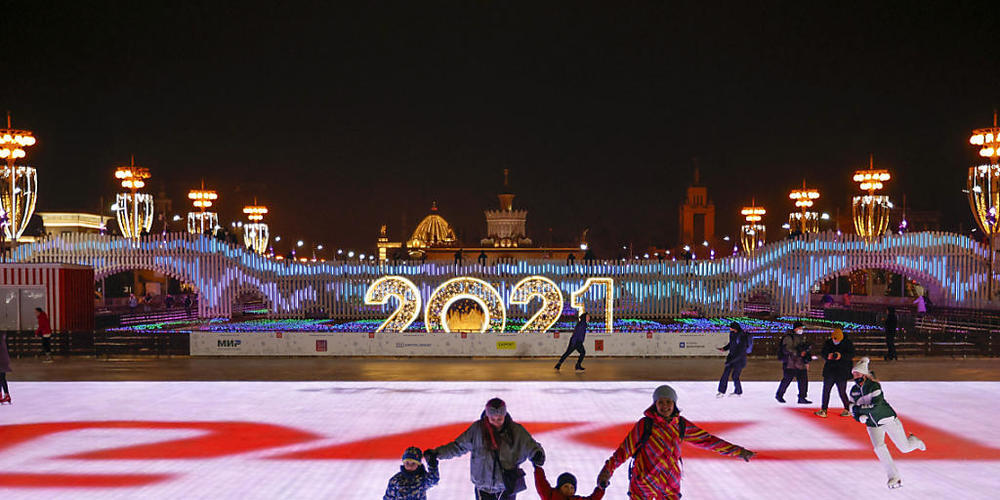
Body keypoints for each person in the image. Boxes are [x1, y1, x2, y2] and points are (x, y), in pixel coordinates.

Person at [597, 385, 754, 498]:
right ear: (655, 404)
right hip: (643, 484)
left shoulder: (681, 425)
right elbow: (624, 450)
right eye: (661, 402)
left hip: (670, 484)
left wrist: (737, 451)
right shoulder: (645, 424)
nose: (665, 406)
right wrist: (607, 471)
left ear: (674, 404)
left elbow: (707, 440)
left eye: (668, 402)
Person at [427, 398, 544, 499]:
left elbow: (531, 446)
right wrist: (437, 453)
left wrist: (537, 454)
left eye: (500, 419)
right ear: (487, 416)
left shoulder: (516, 431)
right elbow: (458, 446)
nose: (496, 423)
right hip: (482, 487)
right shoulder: (477, 430)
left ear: (505, 415)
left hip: (506, 485)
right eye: (492, 419)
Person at [848, 357, 926, 489]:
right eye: (854, 373)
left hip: (887, 419)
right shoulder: (853, 391)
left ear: (864, 374)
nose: (855, 376)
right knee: (879, 448)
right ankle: (894, 476)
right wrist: (857, 416)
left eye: (858, 373)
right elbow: (852, 410)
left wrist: (859, 410)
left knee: (904, 448)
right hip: (872, 424)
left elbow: (876, 406)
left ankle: (915, 441)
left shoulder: (874, 386)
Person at [815, 328, 854, 418]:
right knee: (826, 391)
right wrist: (827, 356)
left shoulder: (847, 343)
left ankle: (847, 409)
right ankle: (824, 409)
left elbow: (851, 355)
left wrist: (841, 356)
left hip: (842, 371)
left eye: (837, 340)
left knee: (842, 391)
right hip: (830, 370)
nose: (835, 341)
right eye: (834, 339)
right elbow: (823, 352)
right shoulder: (828, 343)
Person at [776, 321, 812, 404]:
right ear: (795, 329)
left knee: (803, 381)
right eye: (800, 328)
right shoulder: (789, 337)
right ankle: (779, 395)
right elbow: (787, 349)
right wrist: (799, 352)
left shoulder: (801, 337)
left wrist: (806, 358)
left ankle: (802, 397)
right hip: (790, 363)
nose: (801, 330)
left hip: (800, 363)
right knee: (787, 380)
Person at [716, 321, 753, 397]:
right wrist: (724, 348)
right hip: (731, 357)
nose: (730, 328)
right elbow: (731, 344)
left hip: (739, 359)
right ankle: (721, 391)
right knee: (725, 374)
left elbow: (741, 352)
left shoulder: (742, 336)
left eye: (731, 327)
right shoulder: (732, 334)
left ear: (735, 328)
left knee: (735, 376)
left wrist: (731, 361)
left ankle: (738, 392)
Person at [533, 466, 604, 500]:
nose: (569, 490)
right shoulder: (551, 496)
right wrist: (538, 467)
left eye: (572, 488)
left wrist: (601, 488)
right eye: (566, 486)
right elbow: (541, 483)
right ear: (559, 487)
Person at [0, 329, 11, 404]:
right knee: (2, 378)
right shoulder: (3, 339)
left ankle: (5, 395)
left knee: (1, 378)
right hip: (4, 360)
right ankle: (4, 394)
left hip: (1, 360)